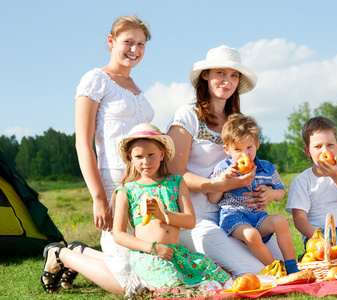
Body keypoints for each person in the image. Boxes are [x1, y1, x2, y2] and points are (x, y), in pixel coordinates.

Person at [40, 15, 153, 295]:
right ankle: (62, 255)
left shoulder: (137, 89)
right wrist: (99, 197)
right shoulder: (96, 80)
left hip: (142, 186)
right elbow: (83, 144)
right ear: (111, 41)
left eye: (141, 44)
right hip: (113, 183)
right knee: (130, 285)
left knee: (143, 267)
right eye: (128, 42)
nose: (135, 50)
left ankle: (79, 251)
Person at [167, 45, 283, 278]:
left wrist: (267, 191)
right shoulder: (188, 115)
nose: (227, 80)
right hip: (196, 217)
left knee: (280, 261)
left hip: (236, 213)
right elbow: (174, 174)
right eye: (220, 73)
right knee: (260, 273)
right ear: (205, 75)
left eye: (233, 75)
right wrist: (219, 185)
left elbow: (252, 163)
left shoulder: (236, 121)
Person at [112, 123, 231, 288]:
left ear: (162, 154)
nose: (146, 161)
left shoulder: (176, 182)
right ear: (130, 157)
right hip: (148, 254)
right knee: (174, 285)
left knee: (220, 276)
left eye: (151, 155)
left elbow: (190, 221)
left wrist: (163, 215)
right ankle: (143, 281)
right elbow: (118, 234)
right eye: (139, 156)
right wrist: (153, 248)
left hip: (175, 252)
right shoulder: (127, 190)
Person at [208, 114, 300, 274]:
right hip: (233, 217)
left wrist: (271, 194)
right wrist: (223, 180)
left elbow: (280, 193)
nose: (244, 154)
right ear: (227, 149)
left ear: (257, 144)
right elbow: (212, 198)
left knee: (281, 221)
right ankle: (277, 269)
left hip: (258, 217)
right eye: (237, 149)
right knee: (251, 235)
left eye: (249, 147)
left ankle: (292, 266)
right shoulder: (223, 169)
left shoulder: (267, 168)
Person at [285, 116, 337, 250]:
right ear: (308, 151)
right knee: (324, 255)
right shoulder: (302, 181)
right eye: (318, 146)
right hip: (317, 235)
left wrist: (336, 175)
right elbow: (299, 220)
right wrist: (319, 238)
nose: (325, 151)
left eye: (330, 145)